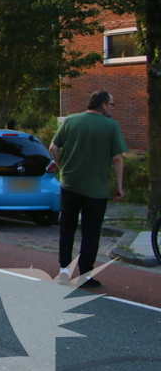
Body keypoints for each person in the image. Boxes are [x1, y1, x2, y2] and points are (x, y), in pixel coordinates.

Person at [49, 90, 127, 289]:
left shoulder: (71, 121)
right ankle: (85, 275)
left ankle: (64, 271)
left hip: (70, 184)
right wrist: (119, 186)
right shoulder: (110, 126)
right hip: (96, 188)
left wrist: (63, 168)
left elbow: (53, 148)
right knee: (91, 232)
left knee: (67, 227)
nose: (113, 108)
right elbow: (117, 158)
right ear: (103, 105)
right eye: (112, 105)